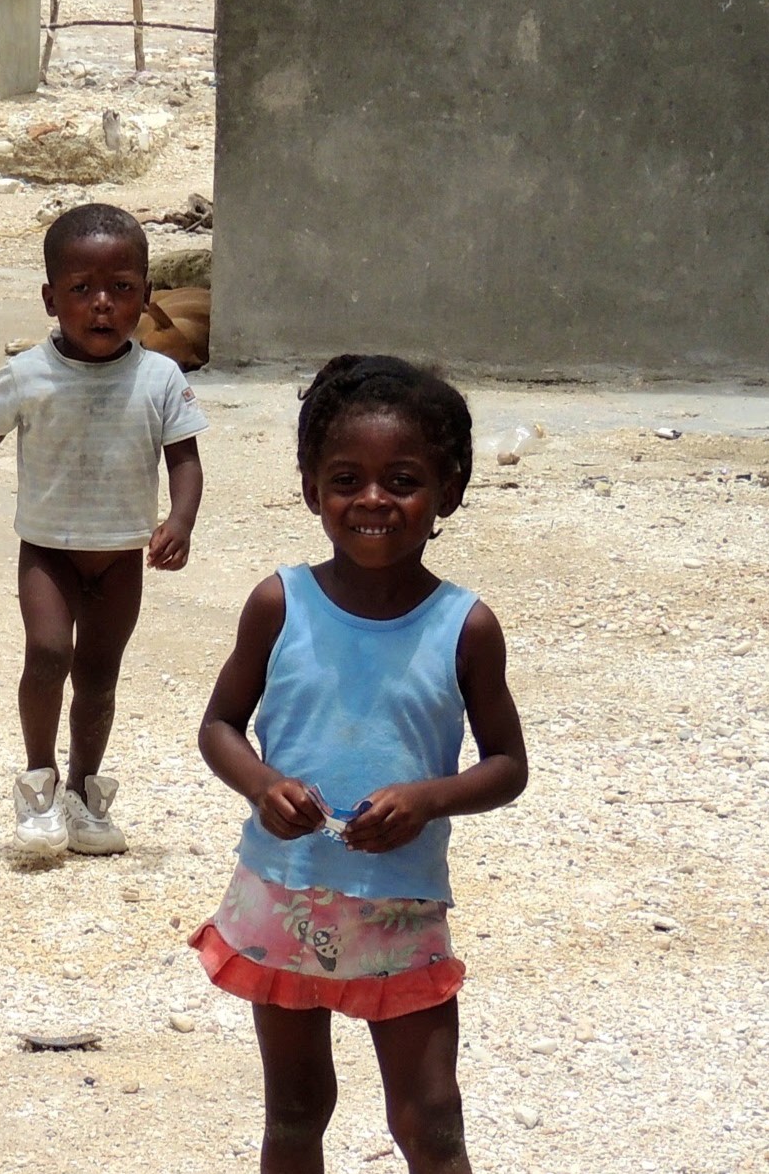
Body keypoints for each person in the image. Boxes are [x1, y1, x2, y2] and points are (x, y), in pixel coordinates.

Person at [188, 354, 529, 1173]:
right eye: (346, 479)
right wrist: (264, 785)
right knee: (296, 1113)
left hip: (400, 907)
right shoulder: (281, 603)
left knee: (432, 1119)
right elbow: (220, 727)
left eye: (403, 479)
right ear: (310, 488)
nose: (373, 500)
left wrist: (428, 797)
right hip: (282, 895)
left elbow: (508, 764)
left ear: (448, 490)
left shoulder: (464, 626)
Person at [0, 203, 207, 856]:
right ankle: (38, 787)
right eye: (82, 291)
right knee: (49, 655)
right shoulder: (28, 374)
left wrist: (180, 520)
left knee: (100, 677)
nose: (102, 305)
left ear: (146, 296)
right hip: (47, 551)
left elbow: (185, 460)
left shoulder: (161, 377)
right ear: (52, 299)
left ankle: (84, 795)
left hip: (120, 557)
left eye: (121, 289)